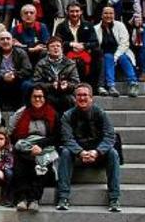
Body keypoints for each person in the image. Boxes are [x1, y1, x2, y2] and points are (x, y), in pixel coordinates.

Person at [56, 83, 122, 212]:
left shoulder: (101, 113)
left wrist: (97, 152)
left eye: (85, 95)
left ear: (91, 98)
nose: (82, 98)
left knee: (113, 153)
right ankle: (63, 197)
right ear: (74, 98)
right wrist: (80, 152)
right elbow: (67, 139)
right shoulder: (67, 116)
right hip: (77, 153)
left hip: (96, 152)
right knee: (64, 152)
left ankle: (114, 198)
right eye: (79, 95)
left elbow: (110, 136)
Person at [8, 85, 60, 212]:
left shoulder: (52, 113)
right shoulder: (22, 113)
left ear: (45, 98)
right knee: (20, 161)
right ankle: (22, 198)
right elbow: (13, 135)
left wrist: (40, 146)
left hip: (45, 147)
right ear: (30, 98)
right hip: (25, 146)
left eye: (40, 96)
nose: (38, 99)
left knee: (41, 164)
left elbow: (57, 137)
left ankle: (34, 199)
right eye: (35, 96)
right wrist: (26, 147)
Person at [0, 31, 33, 109]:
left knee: (28, 84)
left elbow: (28, 70)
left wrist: (14, 74)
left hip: (17, 81)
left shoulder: (21, 52)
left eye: (8, 39)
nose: (5, 41)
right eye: (2, 39)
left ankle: (24, 110)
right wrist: (2, 76)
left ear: (13, 41)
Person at [54, 2, 101, 90]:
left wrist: (84, 46)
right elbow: (57, 42)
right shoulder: (61, 26)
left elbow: (95, 42)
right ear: (67, 12)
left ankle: (95, 86)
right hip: (67, 52)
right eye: (72, 11)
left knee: (98, 52)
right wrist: (71, 44)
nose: (74, 14)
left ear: (81, 12)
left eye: (77, 11)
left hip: (85, 52)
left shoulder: (88, 25)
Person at [96, 6, 140, 97]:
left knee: (122, 57)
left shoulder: (120, 25)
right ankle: (111, 86)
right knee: (108, 57)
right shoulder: (96, 28)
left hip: (121, 52)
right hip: (105, 55)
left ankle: (133, 83)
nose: (108, 15)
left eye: (111, 13)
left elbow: (124, 43)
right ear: (101, 15)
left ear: (114, 15)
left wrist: (116, 56)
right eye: (106, 13)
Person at [32, 37, 80, 113]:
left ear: (62, 49)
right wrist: (50, 86)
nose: (55, 48)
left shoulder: (70, 63)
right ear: (47, 50)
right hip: (48, 93)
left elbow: (76, 83)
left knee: (70, 100)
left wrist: (67, 85)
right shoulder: (41, 64)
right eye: (52, 46)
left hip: (66, 93)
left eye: (58, 46)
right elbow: (36, 83)